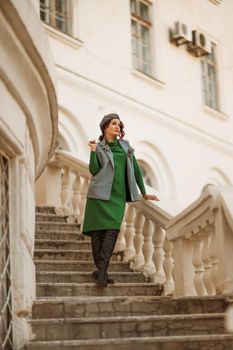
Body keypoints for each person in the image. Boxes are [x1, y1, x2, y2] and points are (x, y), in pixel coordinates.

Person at [82, 113, 159, 287]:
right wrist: (93, 152)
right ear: (105, 127)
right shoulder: (99, 147)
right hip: (99, 195)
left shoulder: (125, 147)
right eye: (113, 123)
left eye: (119, 124)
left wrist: (144, 192)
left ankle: (101, 270)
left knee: (112, 232)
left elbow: (136, 170)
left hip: (117, 197)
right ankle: (101, 271)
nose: (117, 126)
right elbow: (94, 170)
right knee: (97, 234)